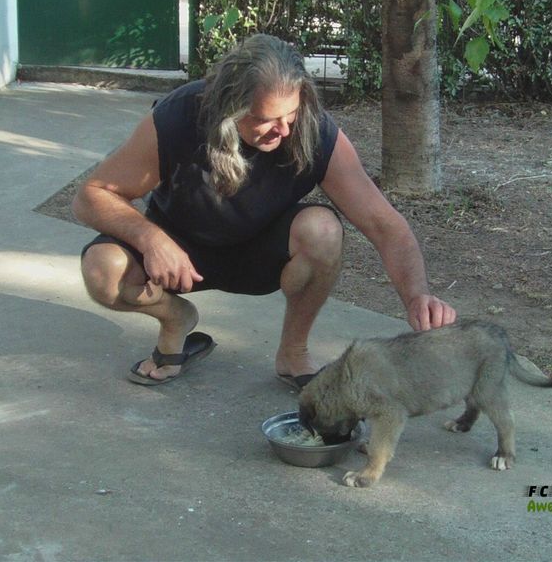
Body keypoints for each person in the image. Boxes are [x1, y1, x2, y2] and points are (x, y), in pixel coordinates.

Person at [73, 34, 456, 388]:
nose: (283, 131)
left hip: (259, 258)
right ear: (227, 106)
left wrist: (417, 297)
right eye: (265, 120)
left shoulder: (314, 131)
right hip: (178, 258)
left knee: (322, 230)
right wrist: (150, 238)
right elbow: (90, 195)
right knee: (102, 269)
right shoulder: (178, 118)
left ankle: (293, 353)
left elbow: (384, 224)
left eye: (289, 115)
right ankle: (176, 318)